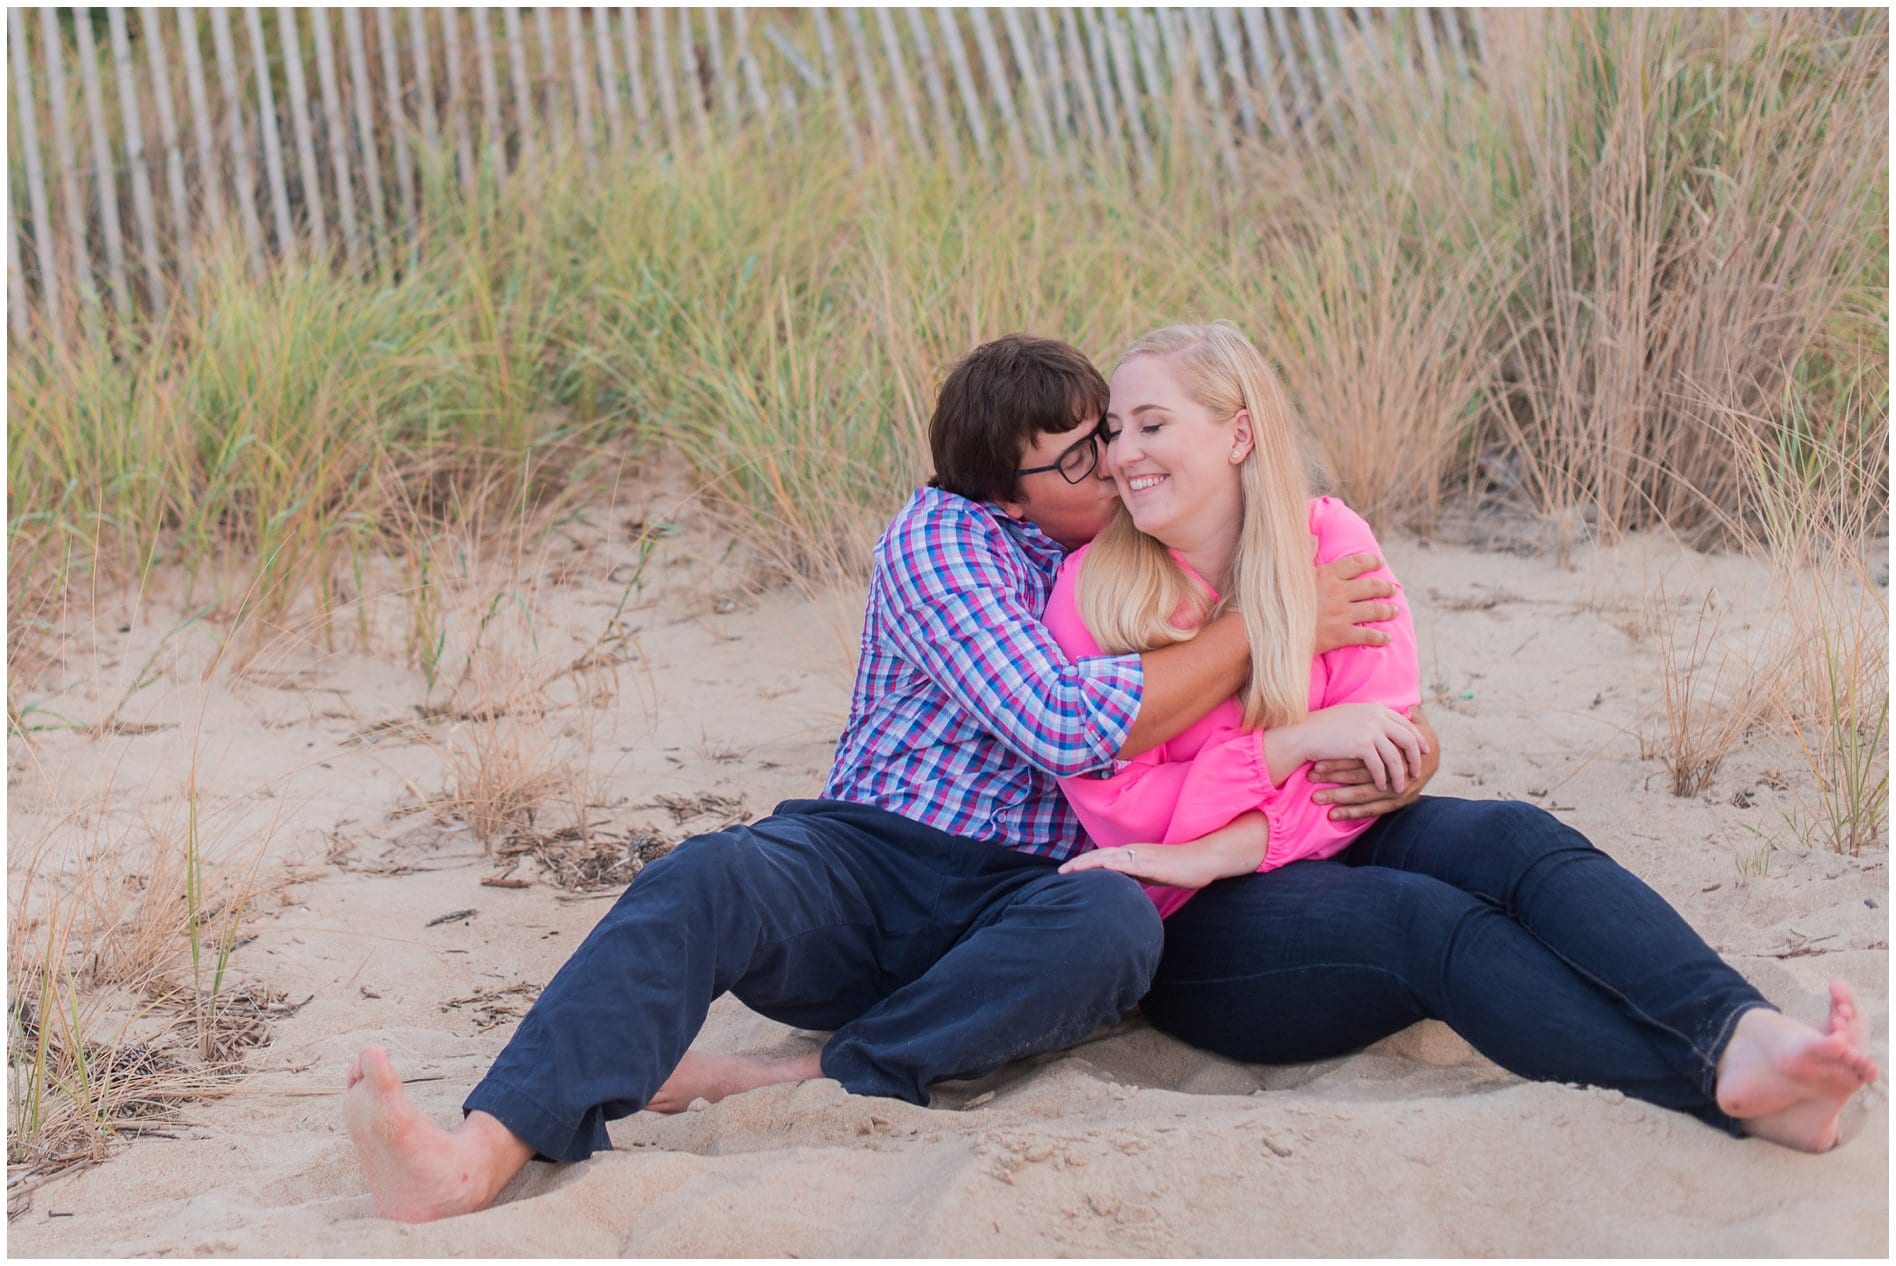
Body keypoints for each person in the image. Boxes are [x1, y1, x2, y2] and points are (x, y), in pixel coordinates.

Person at [342, 334, 1430, 1221]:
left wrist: (1402, 744)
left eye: (1113, 439)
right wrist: (1261, 628)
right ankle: (476, 1158)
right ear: (1010, 489)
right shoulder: (943, 542)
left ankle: (807, 1079)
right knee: (704, 877)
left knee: (1112, 930)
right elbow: (1060, 725)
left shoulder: (1131, 550)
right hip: (867, 860)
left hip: (1024, 892)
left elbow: (1315, 691)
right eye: (1082, 456)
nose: (1114, 466)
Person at [1048, 321, 1878, 1152]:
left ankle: (1739, 1031)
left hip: (1319, 845)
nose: (1125, 454)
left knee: (1516, 834)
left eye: (1151, 425)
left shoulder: (1328, 542)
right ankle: (1722, 1092)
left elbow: (1375, 763)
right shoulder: (1094, 594)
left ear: (1239, 433)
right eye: (1116, 432)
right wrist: (1288, 749)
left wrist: (1235, 839)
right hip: (1197, 932)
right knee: (1419, 917)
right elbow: (1131, 821)